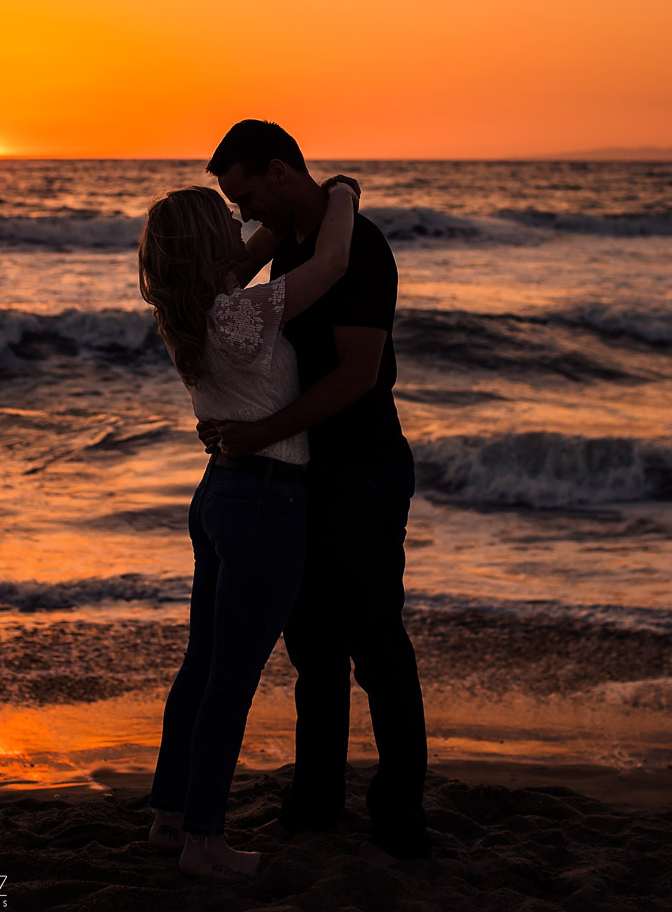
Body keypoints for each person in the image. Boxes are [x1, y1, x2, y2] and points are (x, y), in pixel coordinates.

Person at [200, 119, 430, 865]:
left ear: (277, 169)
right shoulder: (298, 243)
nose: (244, 216)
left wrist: (263, 434)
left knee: (377, 646)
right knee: (314, 650)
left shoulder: (356, 248)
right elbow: (236, 267)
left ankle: (400, 814)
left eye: (246, 196)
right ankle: (316, 803)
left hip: (363, 470)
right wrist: (327, 197)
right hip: (305, 476)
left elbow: (358, 375)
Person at [138, 180, 357, 881]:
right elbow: (329, 267)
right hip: (266, 497)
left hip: (222, 498)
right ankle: (204, 838)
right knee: (230, 677)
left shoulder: (197, 310)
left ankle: (169, 817)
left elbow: (243, 259)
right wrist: (343, 195)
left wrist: (277, 214)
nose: (245, 229)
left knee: (203, 667)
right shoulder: (238, 315)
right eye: (228, 223)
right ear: (211, 245)